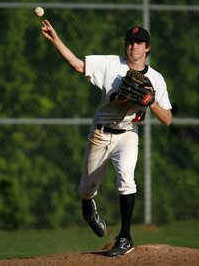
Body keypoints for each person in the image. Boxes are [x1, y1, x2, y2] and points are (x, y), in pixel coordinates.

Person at [41, 20, 172, 257]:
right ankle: (88, 206)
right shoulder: (112, 65)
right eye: (130, 42)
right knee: (86, 188)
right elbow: (78, 65)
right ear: (126, 47)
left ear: (147, 48)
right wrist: (55, 39)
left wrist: (151, 102)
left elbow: (168, 119)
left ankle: (125, 238)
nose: (133, 46)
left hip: (128, 135)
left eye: (139, 42)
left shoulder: (157, 79)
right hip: (100, 134)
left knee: (127, 180)